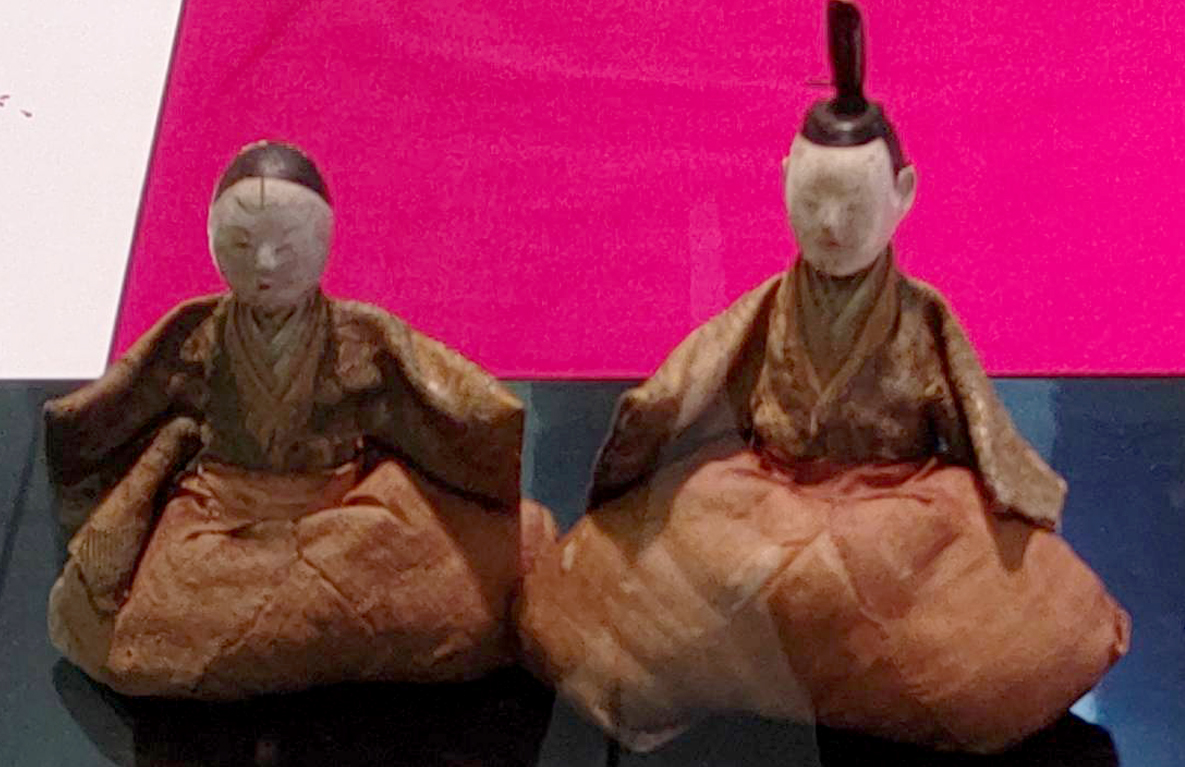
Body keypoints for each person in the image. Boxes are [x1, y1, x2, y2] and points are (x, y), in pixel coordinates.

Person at [519, 2, 1127, 753]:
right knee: (678, 558)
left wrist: (1013, 506)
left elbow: (979, 428)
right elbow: (691, 382)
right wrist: (643, 457)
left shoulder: (922, 319)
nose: (831, 224)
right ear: (781, 185)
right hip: (768, 489)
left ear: (903, 194)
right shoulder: (767, 310)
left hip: (893, 504)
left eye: (854, 202)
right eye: (811, 200)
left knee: (963, 608)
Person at [47, 141, 554, 698]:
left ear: (324, 242)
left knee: (467, 585)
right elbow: (123, 404)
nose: (264, 264)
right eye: (242, 243)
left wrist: (484, 419)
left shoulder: (359, 338)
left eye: (285, 245)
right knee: (151, 621)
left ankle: (290, 624)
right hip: (225, 518)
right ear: (212, 241)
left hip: (344, 510)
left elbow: (441, 396)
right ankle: (313, 621)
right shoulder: (196, 337)